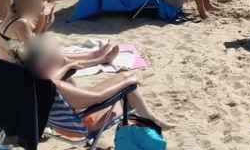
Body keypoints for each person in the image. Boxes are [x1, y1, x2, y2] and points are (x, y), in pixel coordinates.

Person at [21, 34, 172, 130]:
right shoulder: (56, 86)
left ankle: (148, 116)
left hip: (58, 123)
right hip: (81, 125)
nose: (62, 57)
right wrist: (127, 83)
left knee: (125, 77)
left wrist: (67, 66)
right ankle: (150, 119)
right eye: (57, 57)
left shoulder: (32, 79)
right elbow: (97, 96)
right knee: (129, 87)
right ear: (48, 63)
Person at [0, 0, 118, 67]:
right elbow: (35, 50)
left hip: (11, 59)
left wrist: (45, 21)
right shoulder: (21, 23)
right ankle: (101, 59)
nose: (41, 4)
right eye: (39, 1)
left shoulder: (13, 14)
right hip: (13, 67)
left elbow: (32, 42)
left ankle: (93, 54)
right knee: (56, 58)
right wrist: (45, 20)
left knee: (51, 51)